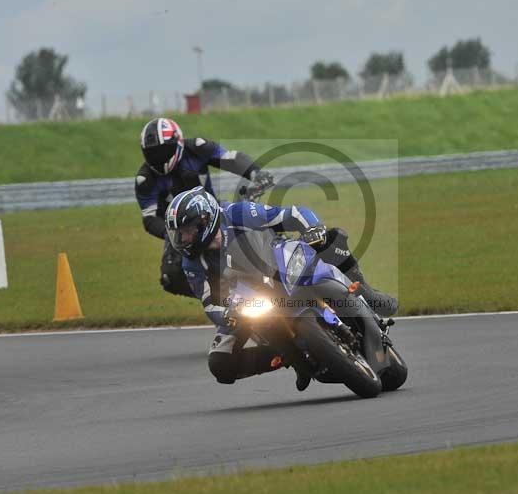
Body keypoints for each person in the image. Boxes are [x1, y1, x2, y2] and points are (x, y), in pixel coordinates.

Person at [164, 186, 398, 390]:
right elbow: (209, 302)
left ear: (204, 221)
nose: (182, 239)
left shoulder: (237, 213)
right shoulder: (192, 263)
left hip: (279, 260)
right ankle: (291, 357)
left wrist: (312, 228)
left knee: (329, 239)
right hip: (248, 297)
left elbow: (293, 214)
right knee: (219, 362)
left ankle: (364, 292)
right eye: (178, 235)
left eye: (186, 232)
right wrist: (228, 312)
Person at [134, 117, 273, 298]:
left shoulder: (197, 148)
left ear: (178, 143)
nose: (158, 156)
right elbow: (149, 218)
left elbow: (230, 158)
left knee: (253, 218)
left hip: (213, 212)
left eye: (163, 150)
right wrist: (172, 235)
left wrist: (256, 173)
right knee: (171, 278)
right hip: (180, 231)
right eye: (152, 152)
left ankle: (286, 256)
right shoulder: (145, 179)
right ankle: (221, 301)